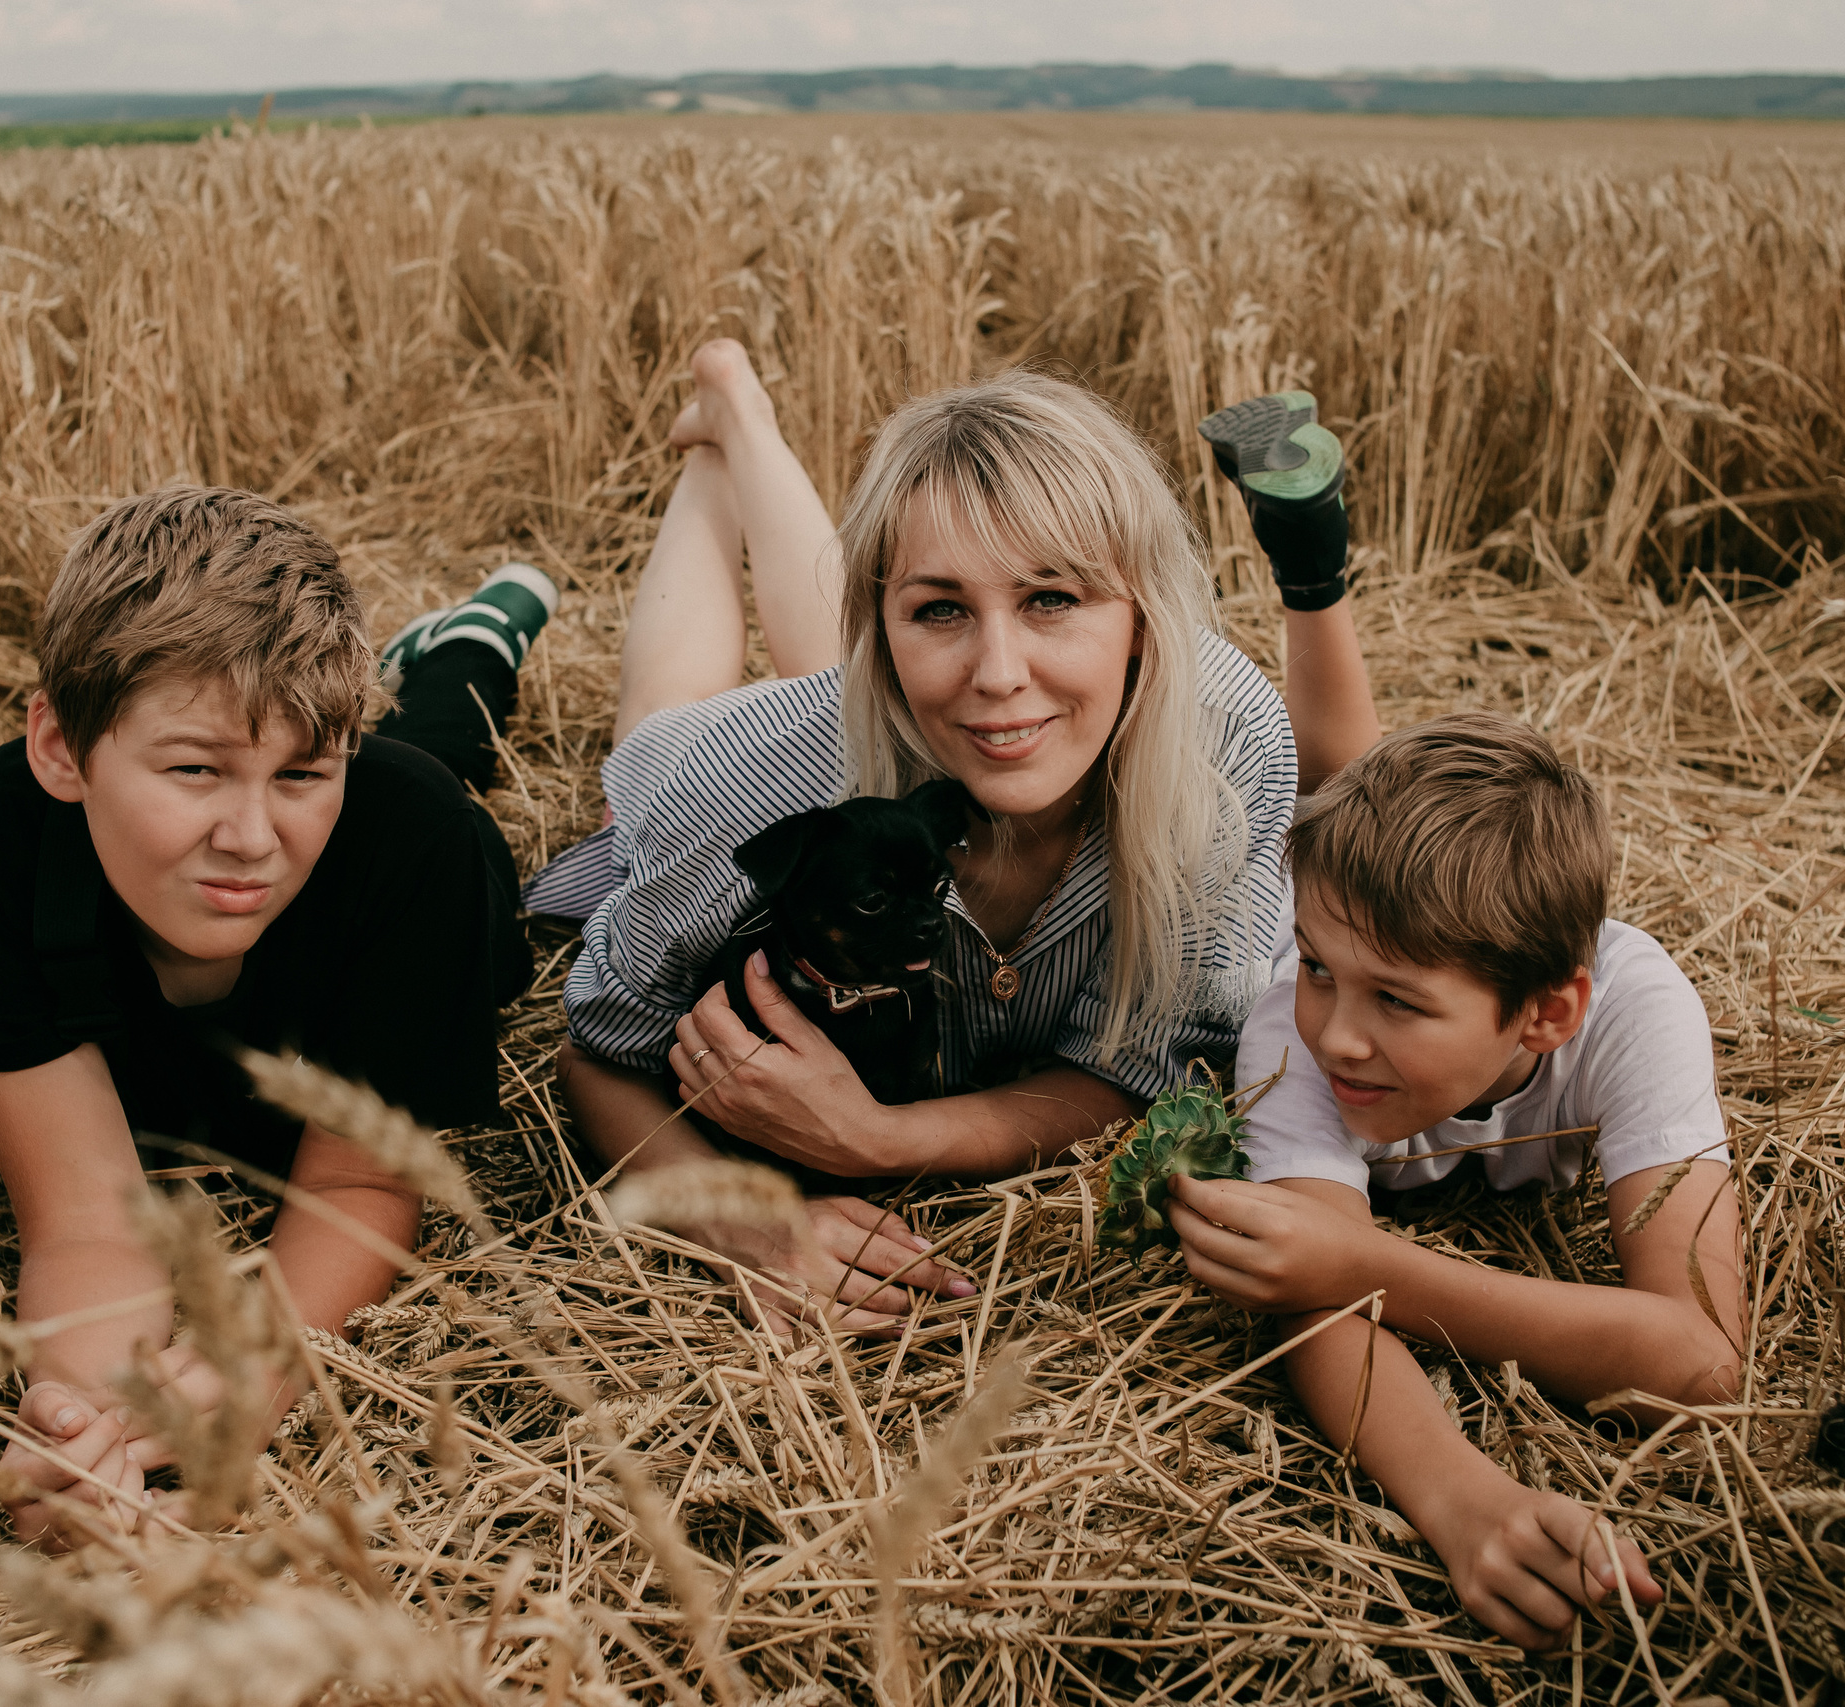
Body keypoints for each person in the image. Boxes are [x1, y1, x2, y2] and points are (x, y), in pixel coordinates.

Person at [539, 343, 1378, 1329]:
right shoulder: (735, 788)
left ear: (1145, 619)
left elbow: (1141, 1063)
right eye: (937, 610)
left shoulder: (1219, 747)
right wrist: (734, 1221)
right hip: (741, 759)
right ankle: (718, 454)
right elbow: (600, 1050)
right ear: (881, 635)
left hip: (899, 746)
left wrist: (880, 1140)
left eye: (1051, 599)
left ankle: (736, 413)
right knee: (666, 702)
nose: (999, 666)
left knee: (968, 706)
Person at [0, 486, 553, 1540]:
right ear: (63, 749)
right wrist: (88, 1429)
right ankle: (437, 657)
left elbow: (357, 1178)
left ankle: (475, 639)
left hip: (430, 834)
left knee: (446, 751)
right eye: (194, 769)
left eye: (302, 773)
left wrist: (260, 1367)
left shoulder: (407, 840)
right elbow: (82, 1223)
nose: (249, 837)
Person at [1167, 712, 1744, 1652]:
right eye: (1320, 969)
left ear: (1547, 1013)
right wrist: (1461, 1497)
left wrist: (1365, 1262)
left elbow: (1704, 1360)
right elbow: (1309, 1300)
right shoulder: (1289, 1030)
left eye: (1397, 999)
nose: (1339, 1033)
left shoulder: (1640, 1013)